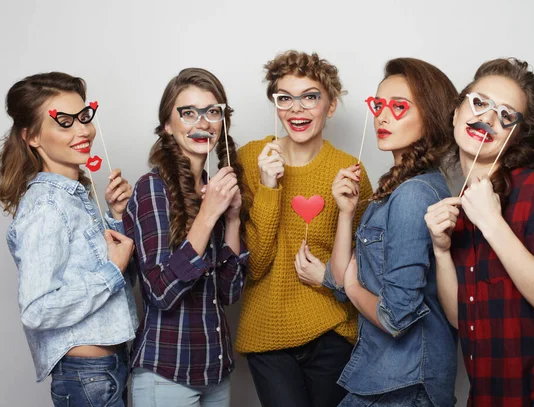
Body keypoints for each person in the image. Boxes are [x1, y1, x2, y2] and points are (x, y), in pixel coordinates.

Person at [425, 58, 534, 407]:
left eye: (505, 115)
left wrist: (492, 223)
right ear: (457, 111)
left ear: (517, 135)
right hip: (489, 396)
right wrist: (441, 250)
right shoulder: (466, 207)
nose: (487, 118)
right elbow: (462, 318)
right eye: (479, 102)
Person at [235, 50, 373, 407]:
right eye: (285, 98)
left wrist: (329, 275)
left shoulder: (349, 170)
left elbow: (368, 268)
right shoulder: (251, 159)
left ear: (330, 106)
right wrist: (269, 187)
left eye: (310, 97)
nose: (296, 109)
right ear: (275, 104)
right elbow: (256, 264)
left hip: (332, 331)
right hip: (269, 331)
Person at [325, 58, 458, 407]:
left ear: (429, 115)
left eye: (398, 107)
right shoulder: (394, 191)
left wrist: (352, 287)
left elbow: (395, 317)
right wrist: (346, 213)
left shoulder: (414, 194)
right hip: (384, 376)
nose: (382, 117)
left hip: (404, 384)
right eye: (379, 104)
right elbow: (340, 279)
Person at [0, 72, 138, 407]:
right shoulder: (47, 205)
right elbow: (36, 310)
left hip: (105, 369)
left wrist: (117, 216)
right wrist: (111, 272)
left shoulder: (76, 195)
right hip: (86, 376)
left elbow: (108, 276)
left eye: (84, 117)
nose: (83, 131)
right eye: (64, 122)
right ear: (31, 137)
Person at [123, 67, 248, 407]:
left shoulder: (214, 190)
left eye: (212, 112)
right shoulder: (152, 189)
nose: (202, 123)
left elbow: (229, 292)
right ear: (167, 125)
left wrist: (233, 219)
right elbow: (160, 292)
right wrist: (208, 214)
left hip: (215, 371)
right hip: (167, 373)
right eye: (188, 113)